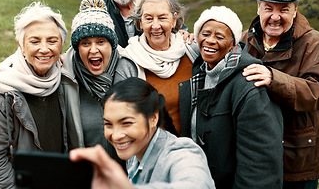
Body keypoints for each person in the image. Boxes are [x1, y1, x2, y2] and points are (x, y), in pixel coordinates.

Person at [241, 0, 319, 189]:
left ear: (295, 10)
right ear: (258, 8)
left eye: (284, 10)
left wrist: (274, 78)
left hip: (296, 154)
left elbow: (318, 93)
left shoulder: (317, 45)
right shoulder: (246, 38)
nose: (275, 16)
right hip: (255, 151)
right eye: (268, 8)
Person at [0, 1, 78, 188]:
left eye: (52, 41)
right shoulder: (0, 95)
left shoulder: (60, 78)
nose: (44, 49)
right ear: (21, 45)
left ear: (62, 45)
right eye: (34, 41)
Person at [179, 6, 284, 188]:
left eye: (219, 37)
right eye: (205, 34)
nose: (210, 41)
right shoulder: (199, 74)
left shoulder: (249, 85)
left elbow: (259, 163)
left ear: (233, 43)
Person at [70, 77, 215, 188]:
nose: (116, 135)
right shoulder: (135, 152)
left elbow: (195, 184)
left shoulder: (181, 152)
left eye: (126, 123)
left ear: (153, 118)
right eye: (108, 124)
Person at [61, 0, 138, 162]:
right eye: (85, 43)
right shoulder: (66, 76)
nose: (93, 50)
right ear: (76, 49)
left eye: (101, 41)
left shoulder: (130, 71)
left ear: (112, 44)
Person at [121, 0, 199, 135]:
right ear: (140, 22)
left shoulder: (192, 51)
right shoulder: (128, 61)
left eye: (162, 17)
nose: (155, 26)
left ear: (174, 20)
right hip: (148, 152)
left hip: (189, 152)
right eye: (148, 18)